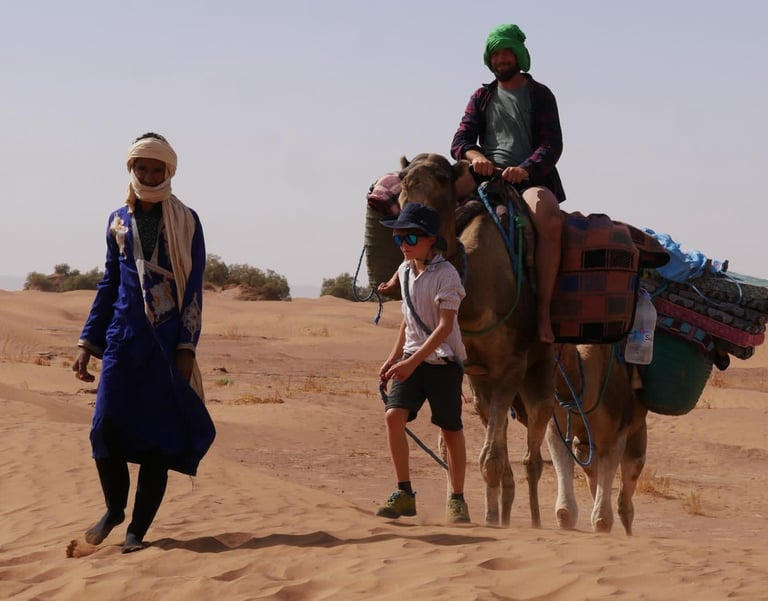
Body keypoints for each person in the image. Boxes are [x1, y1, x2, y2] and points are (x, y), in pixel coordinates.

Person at [71, 132, 215, 554]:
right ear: (131, 169)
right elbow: (109, 283)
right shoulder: (117, 220)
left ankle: (137, 531)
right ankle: (114, 510)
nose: (149, 176)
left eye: (157, 169)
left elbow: (194, 291)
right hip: (121, 339)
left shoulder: (187, 220)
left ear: (169, 171)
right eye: (142, 168)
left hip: (166, 345)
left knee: (158, 440)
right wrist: (87, 342)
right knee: (104, 430)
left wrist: (186, 347)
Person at [451, 23, 566, 343]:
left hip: (528, 179)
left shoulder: (540, 95)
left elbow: (551, 145)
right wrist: (475, 156)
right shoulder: (482, 96)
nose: (500, 59)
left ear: (519, 55)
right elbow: (460, 139)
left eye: (506, 52)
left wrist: (525, 169)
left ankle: (543, 313)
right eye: (495, 54)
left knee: (548, 216)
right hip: (483, 173)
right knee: (430, 198)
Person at [376, 202, 470, 524]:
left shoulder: (447, 275)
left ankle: (457, 498)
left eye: (410, 238)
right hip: (411, 359)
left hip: (443, 363)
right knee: (393, 417)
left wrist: (411, 362)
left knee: (450, 429)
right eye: (399, 238)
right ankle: (404, 492)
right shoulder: (405, 271)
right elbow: (408, 320)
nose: (403, 244)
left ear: (432, 239)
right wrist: (393, 358)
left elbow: (444, 327)